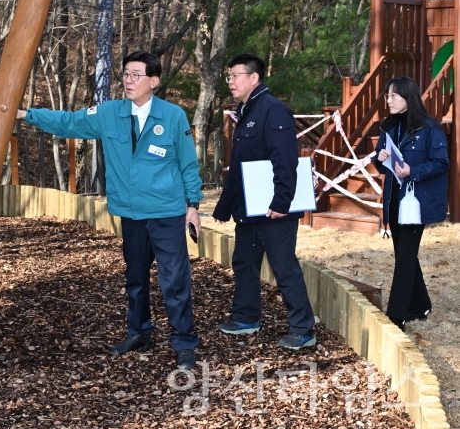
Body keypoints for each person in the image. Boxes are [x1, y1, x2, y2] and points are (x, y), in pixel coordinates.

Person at [16, 51, 203, 369]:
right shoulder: (109, 113)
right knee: (135, 278)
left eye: (136, 75)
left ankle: (184, 342)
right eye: (126, 74)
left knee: (174, 280)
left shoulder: (173, 117)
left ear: (153, 82)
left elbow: (187, 163)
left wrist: (193, 206)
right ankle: (139, 331)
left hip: (166, 213)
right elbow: (70, 123)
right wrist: (26, 115)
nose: (129, 80)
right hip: (130, 213)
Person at [212, 53, 316, 349]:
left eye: (235, 75)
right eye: (229, 76)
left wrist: (282, 202)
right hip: (249, 208)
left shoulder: (272, 109)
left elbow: (285, 159)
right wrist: (225, 206)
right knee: (244, 262)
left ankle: (303, 329)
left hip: (273, 209)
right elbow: (241, 164)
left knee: (283, 266)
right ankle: (246, 317)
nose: (230, 81)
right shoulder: (246, 109)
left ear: (253, 78)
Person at [375, 77, 449, 332]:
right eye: (388, 96)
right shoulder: (388, 127)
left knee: (405, 257)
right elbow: (379, 161)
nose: (389, 100)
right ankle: (420, 305)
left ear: (409, 97)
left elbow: (441, 163)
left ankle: (396, 318)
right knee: (405, 255)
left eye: (395, 96)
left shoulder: (429, 128)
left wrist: (412, 170)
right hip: (394, 200)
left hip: (415, 203)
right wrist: (379, 157)